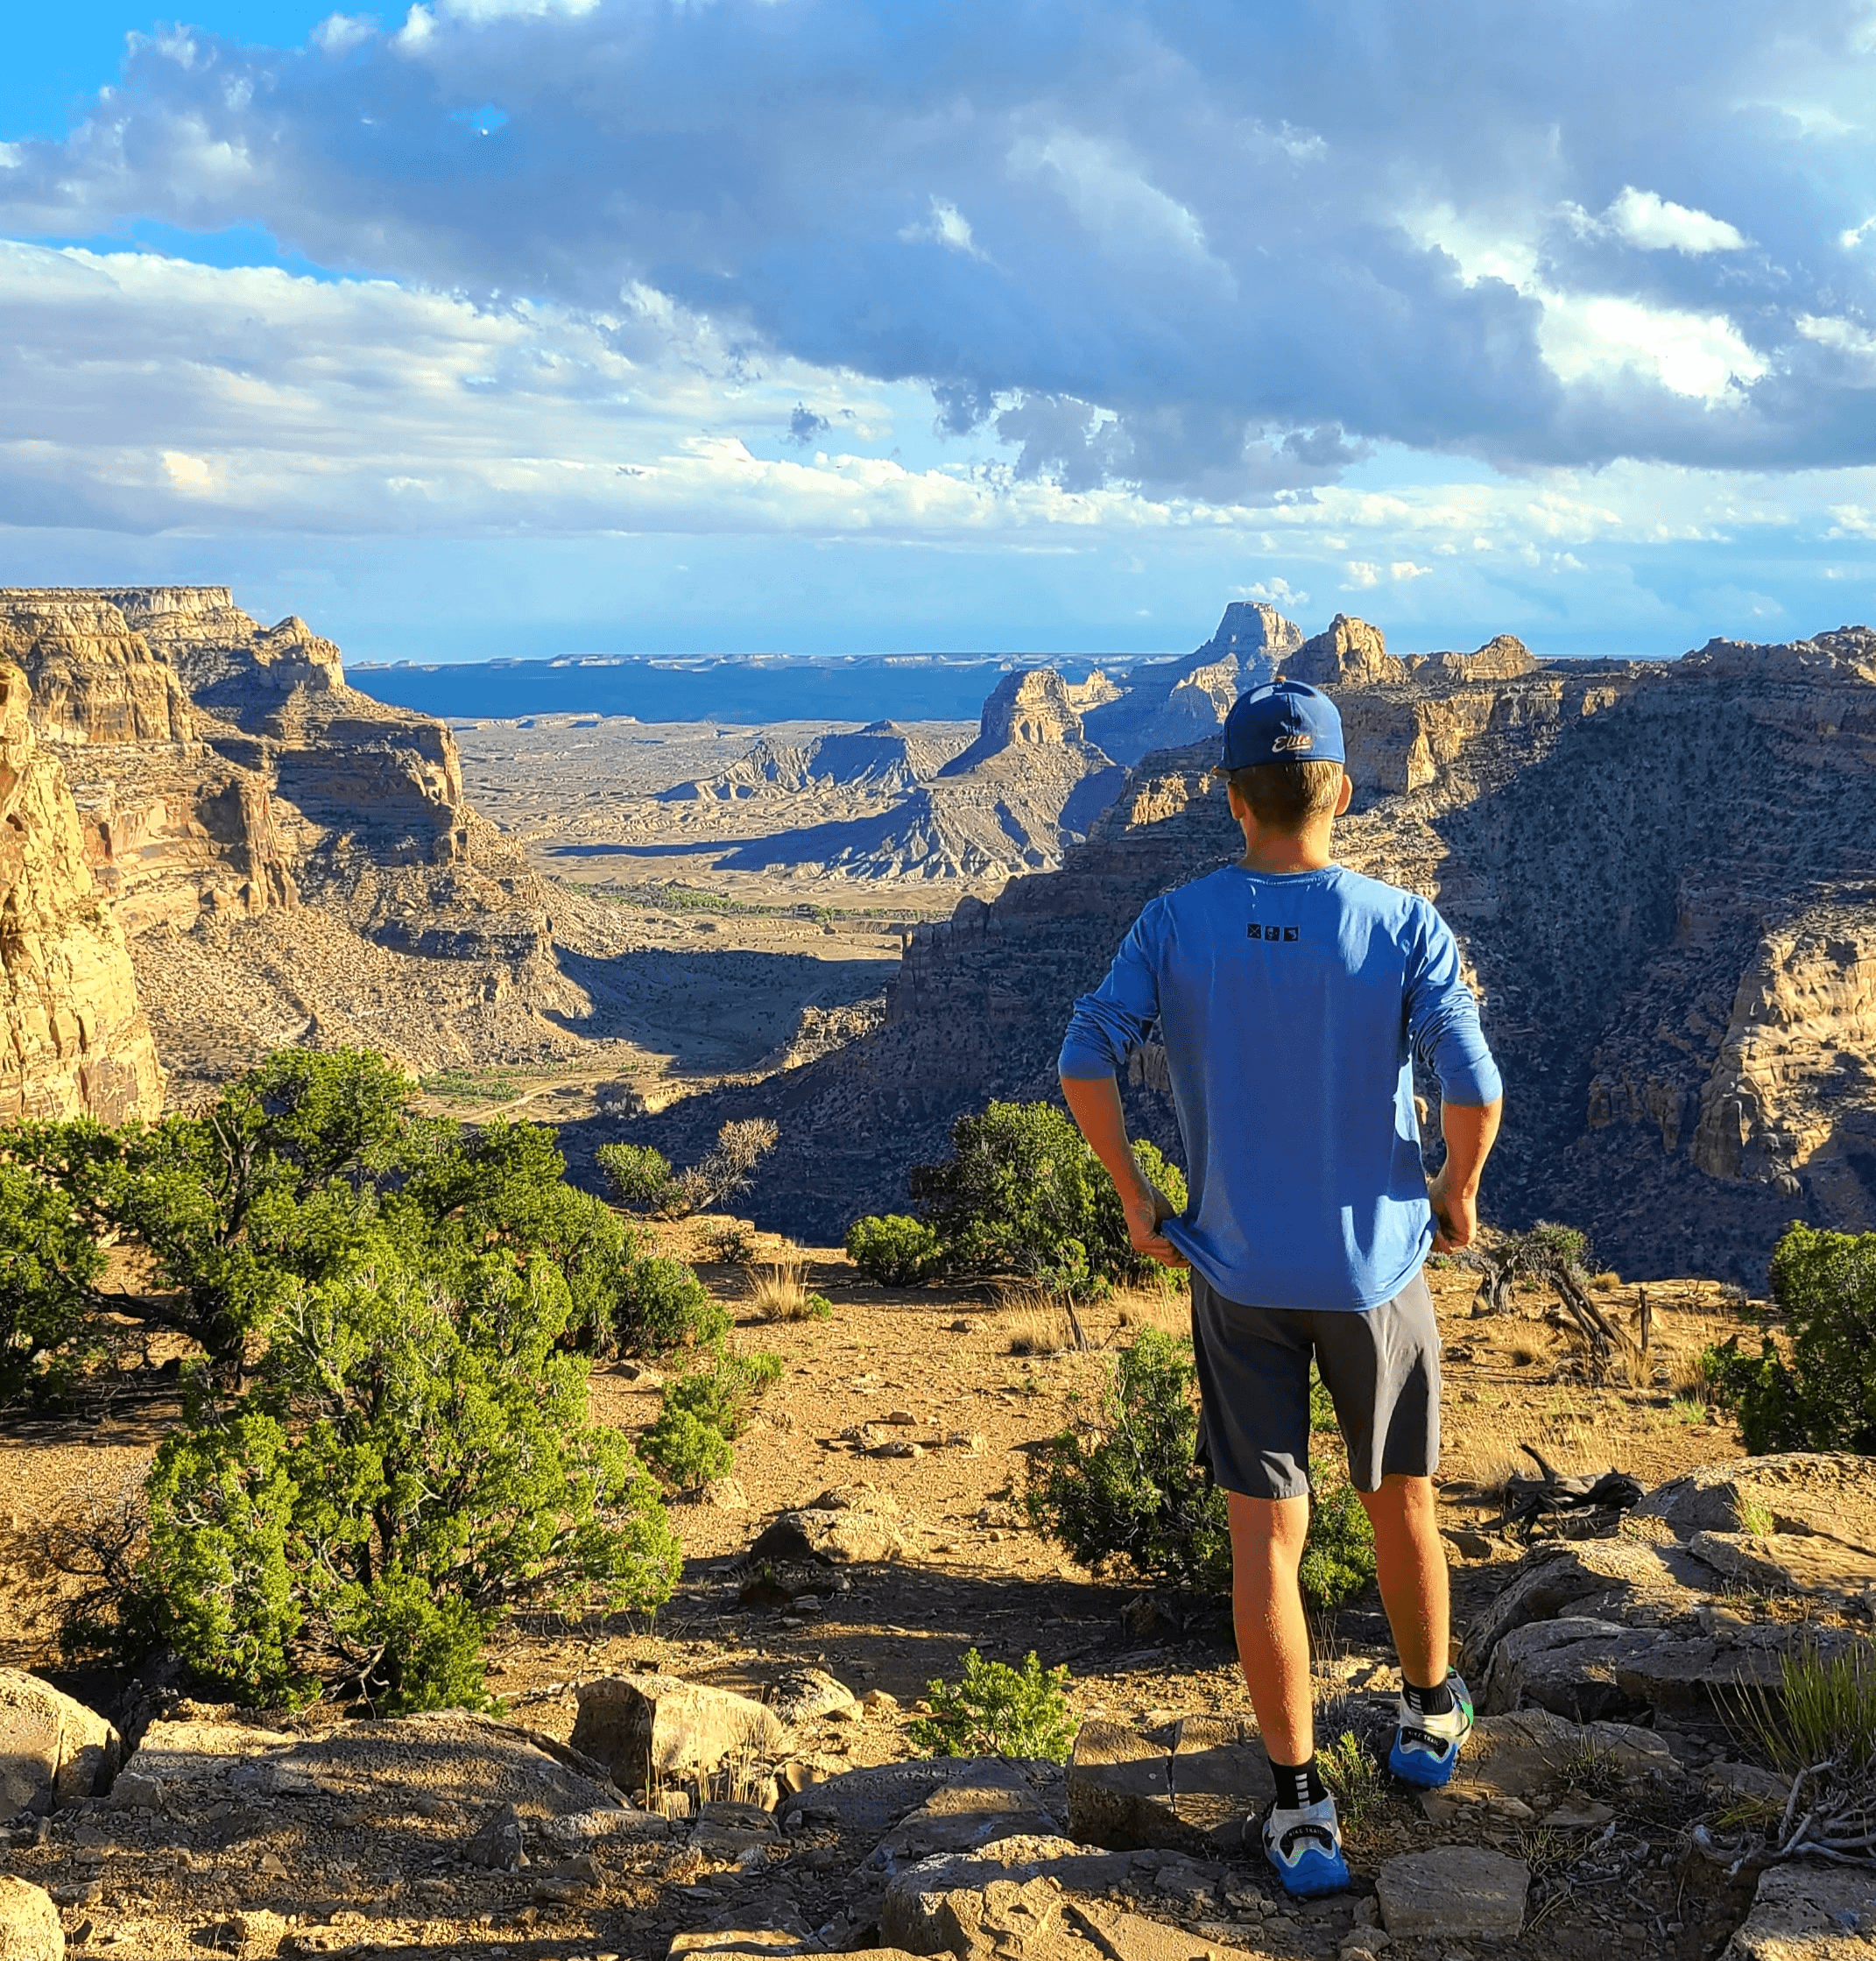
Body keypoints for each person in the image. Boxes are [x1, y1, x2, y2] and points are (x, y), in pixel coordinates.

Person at [1056, 678, 1503, 1900]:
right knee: (1397, 1499)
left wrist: (1134, 1196)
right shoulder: (1402, 921)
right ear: (1342, 792)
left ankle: (1299, 1804)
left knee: (1267, 1538)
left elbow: (1081, 1053)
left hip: (1237, 1269)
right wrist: (1453, 1193)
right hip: (1374, 1276)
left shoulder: (1173, 921)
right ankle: (1424, 1715)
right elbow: (1475, 1087)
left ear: (1228, 799)